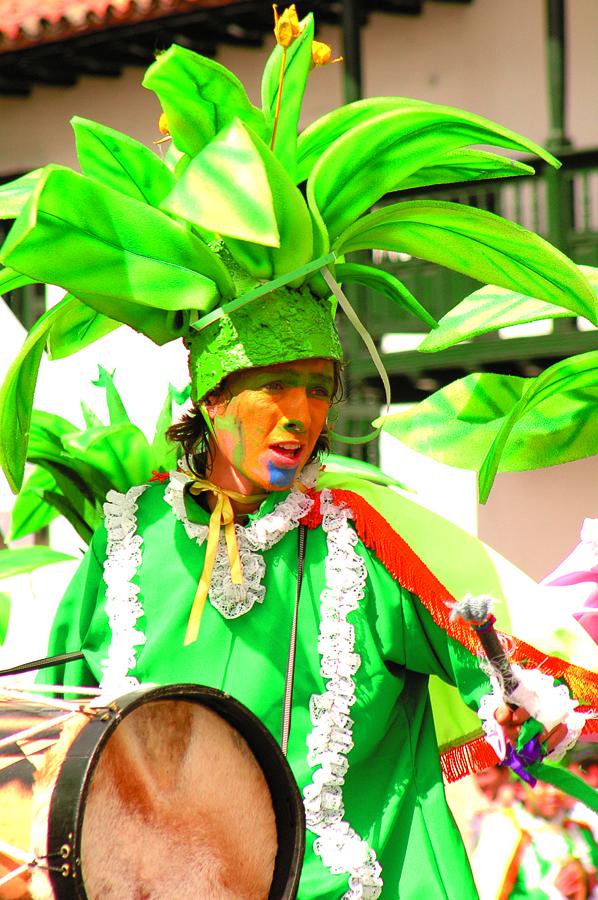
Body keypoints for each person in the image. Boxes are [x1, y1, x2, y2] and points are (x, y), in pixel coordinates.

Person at [0, 6, 597, 897]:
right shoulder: (122, 544)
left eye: (318, 388)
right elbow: (48, 752)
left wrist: (521, 706)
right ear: (209, 397)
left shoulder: (368, 547)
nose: (300, 416)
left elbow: (521, 692)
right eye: (273, 388)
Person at [471, 776, 598, 899]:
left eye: (558, 783)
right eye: (544, 784)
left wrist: (583, 880)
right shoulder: (501, 832)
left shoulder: (580, 831)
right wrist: (551, 893)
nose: (553, 792)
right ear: (519, 789)